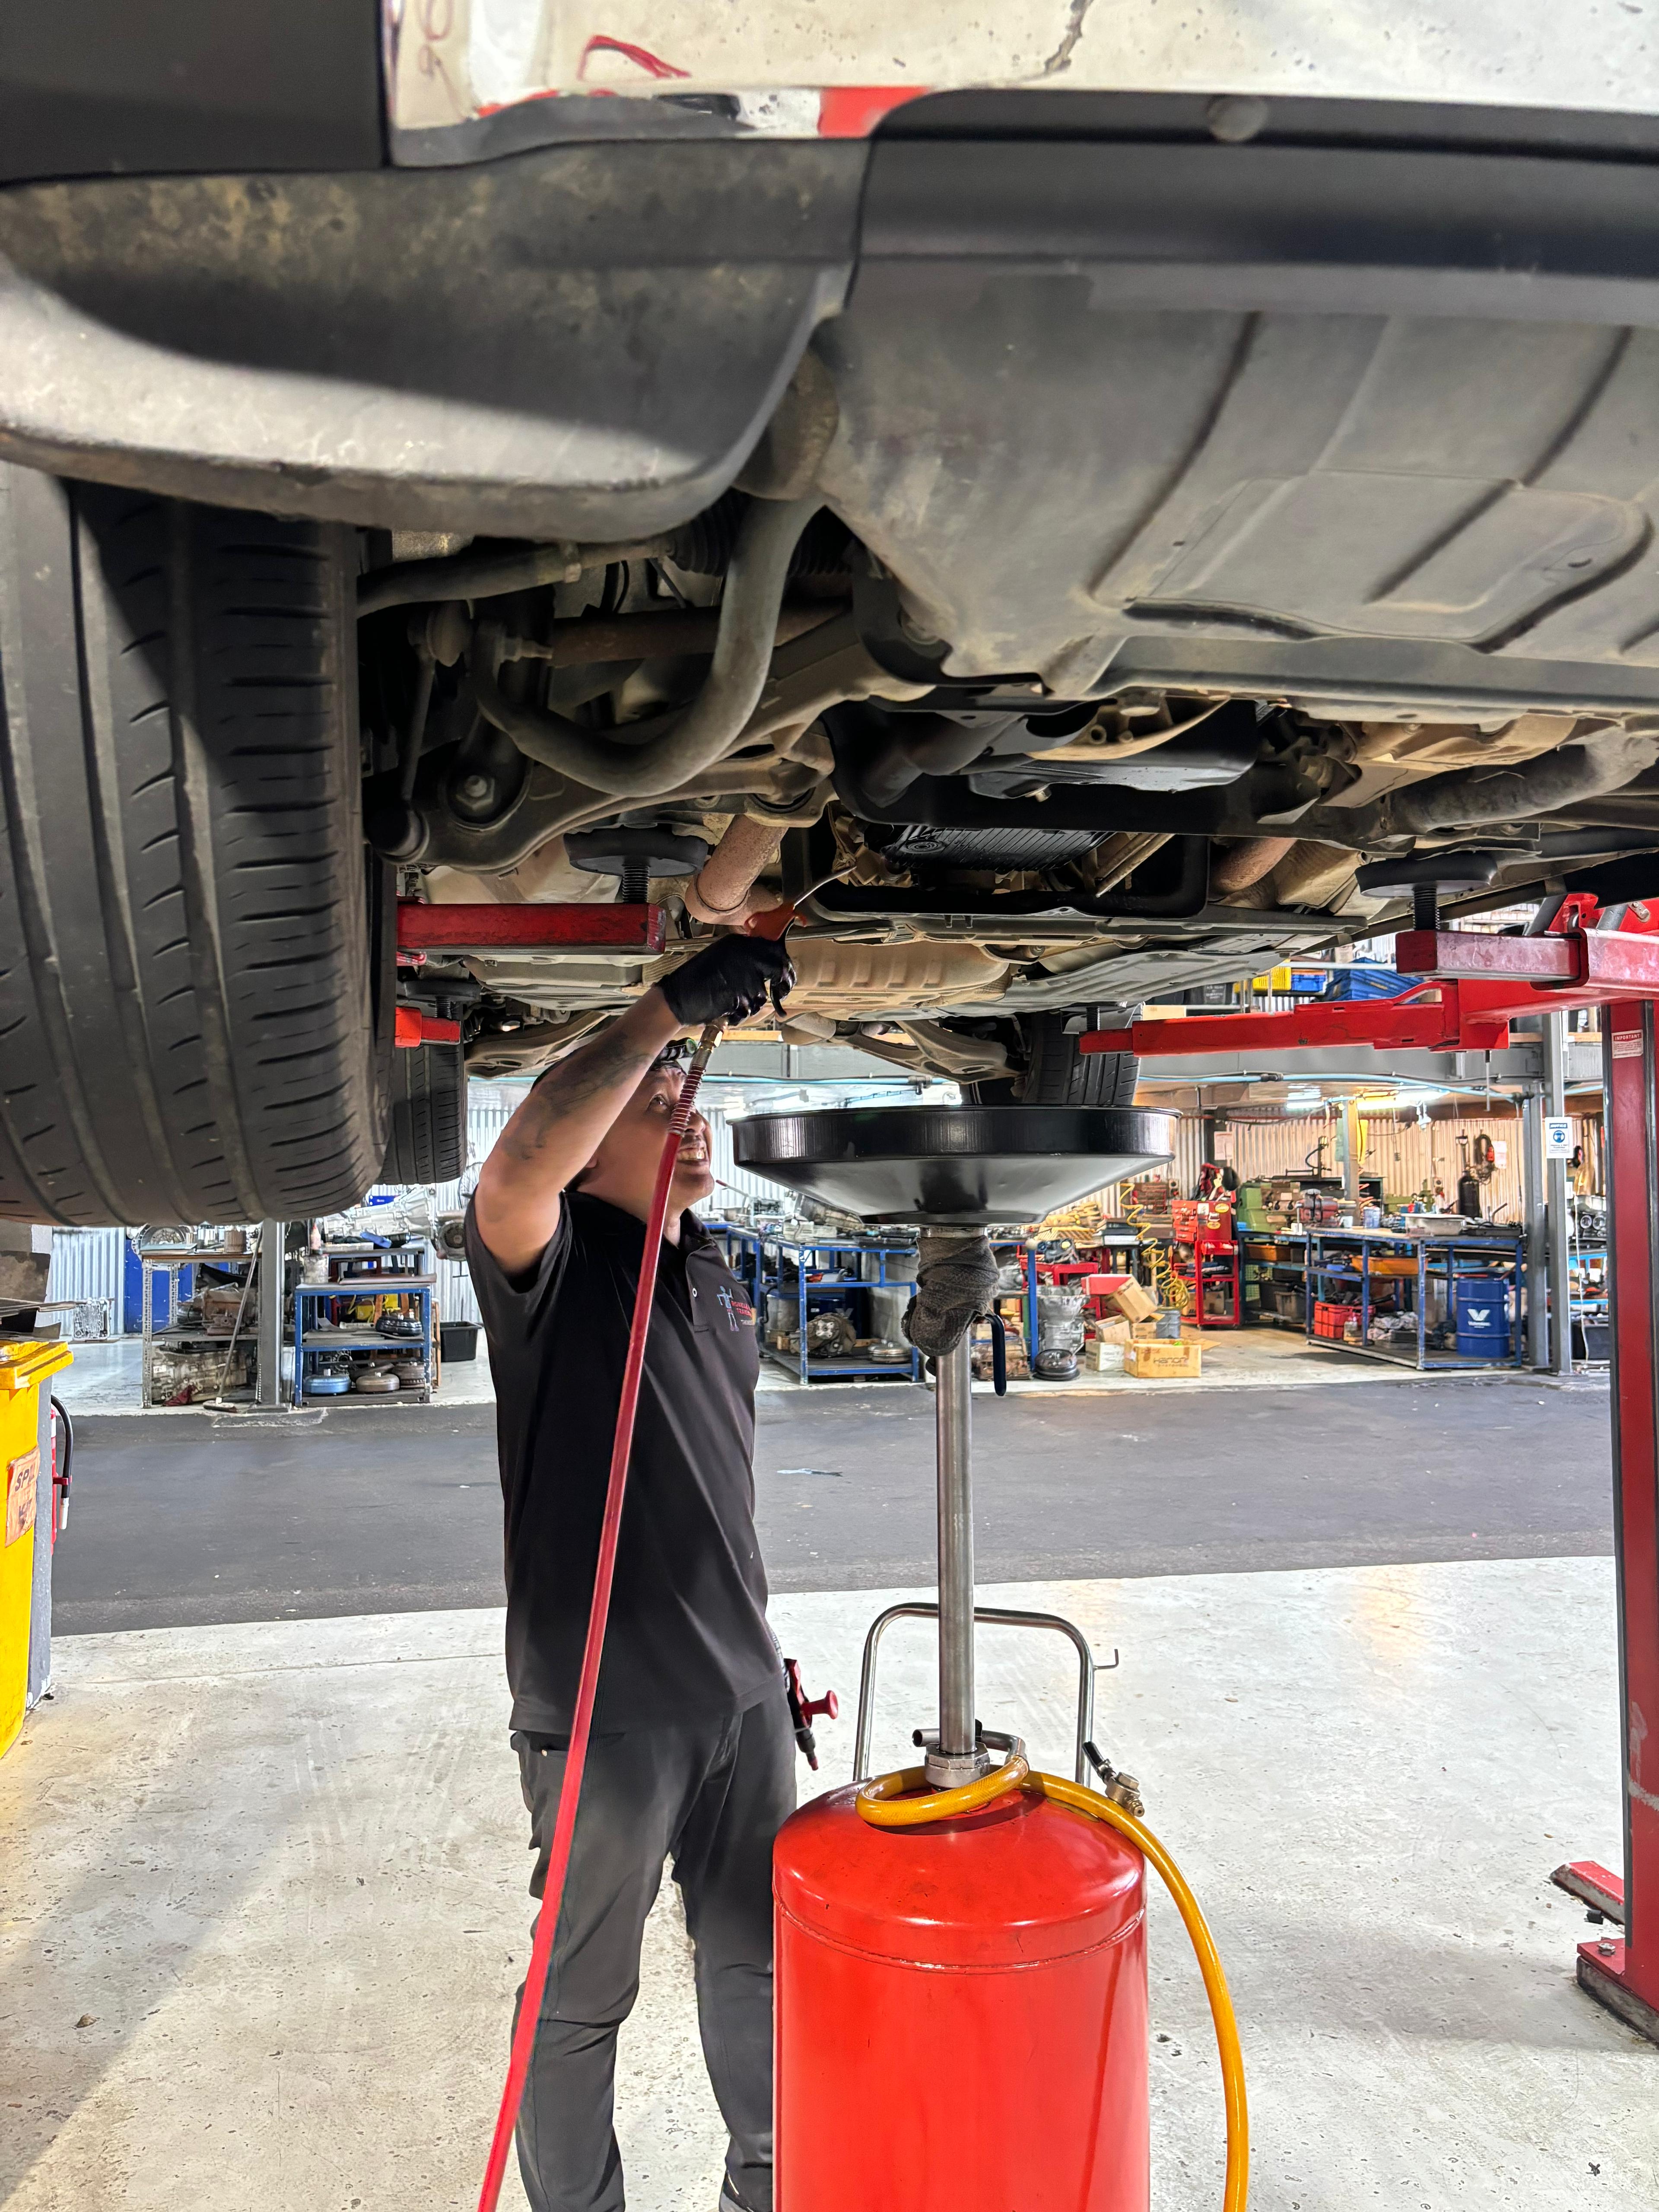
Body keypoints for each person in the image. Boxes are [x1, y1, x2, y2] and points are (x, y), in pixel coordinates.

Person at [466, 933, 796, 2212]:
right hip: (604, 1707)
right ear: (592, 1141)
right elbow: (521, 1156)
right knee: (582, 1995)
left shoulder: (706, 1271)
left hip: (742, 1695)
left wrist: (761, 1673)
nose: (689, 1113)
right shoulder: (552, 1268)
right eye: (659, 1101)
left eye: (692, 1095)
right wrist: (662, 1013)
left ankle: (764, 2191)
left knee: (757, 1967)